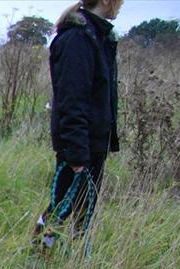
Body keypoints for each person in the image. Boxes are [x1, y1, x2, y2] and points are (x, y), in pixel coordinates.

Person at [33, 0, 122, 252]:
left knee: (83, 207)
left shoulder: (98, 35)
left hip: (93, 140)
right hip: (79, 143)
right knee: (62, 206)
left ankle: (74, 258)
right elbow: (72, 100)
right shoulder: (77, 40)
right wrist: (77, 152)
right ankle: (39, 253)